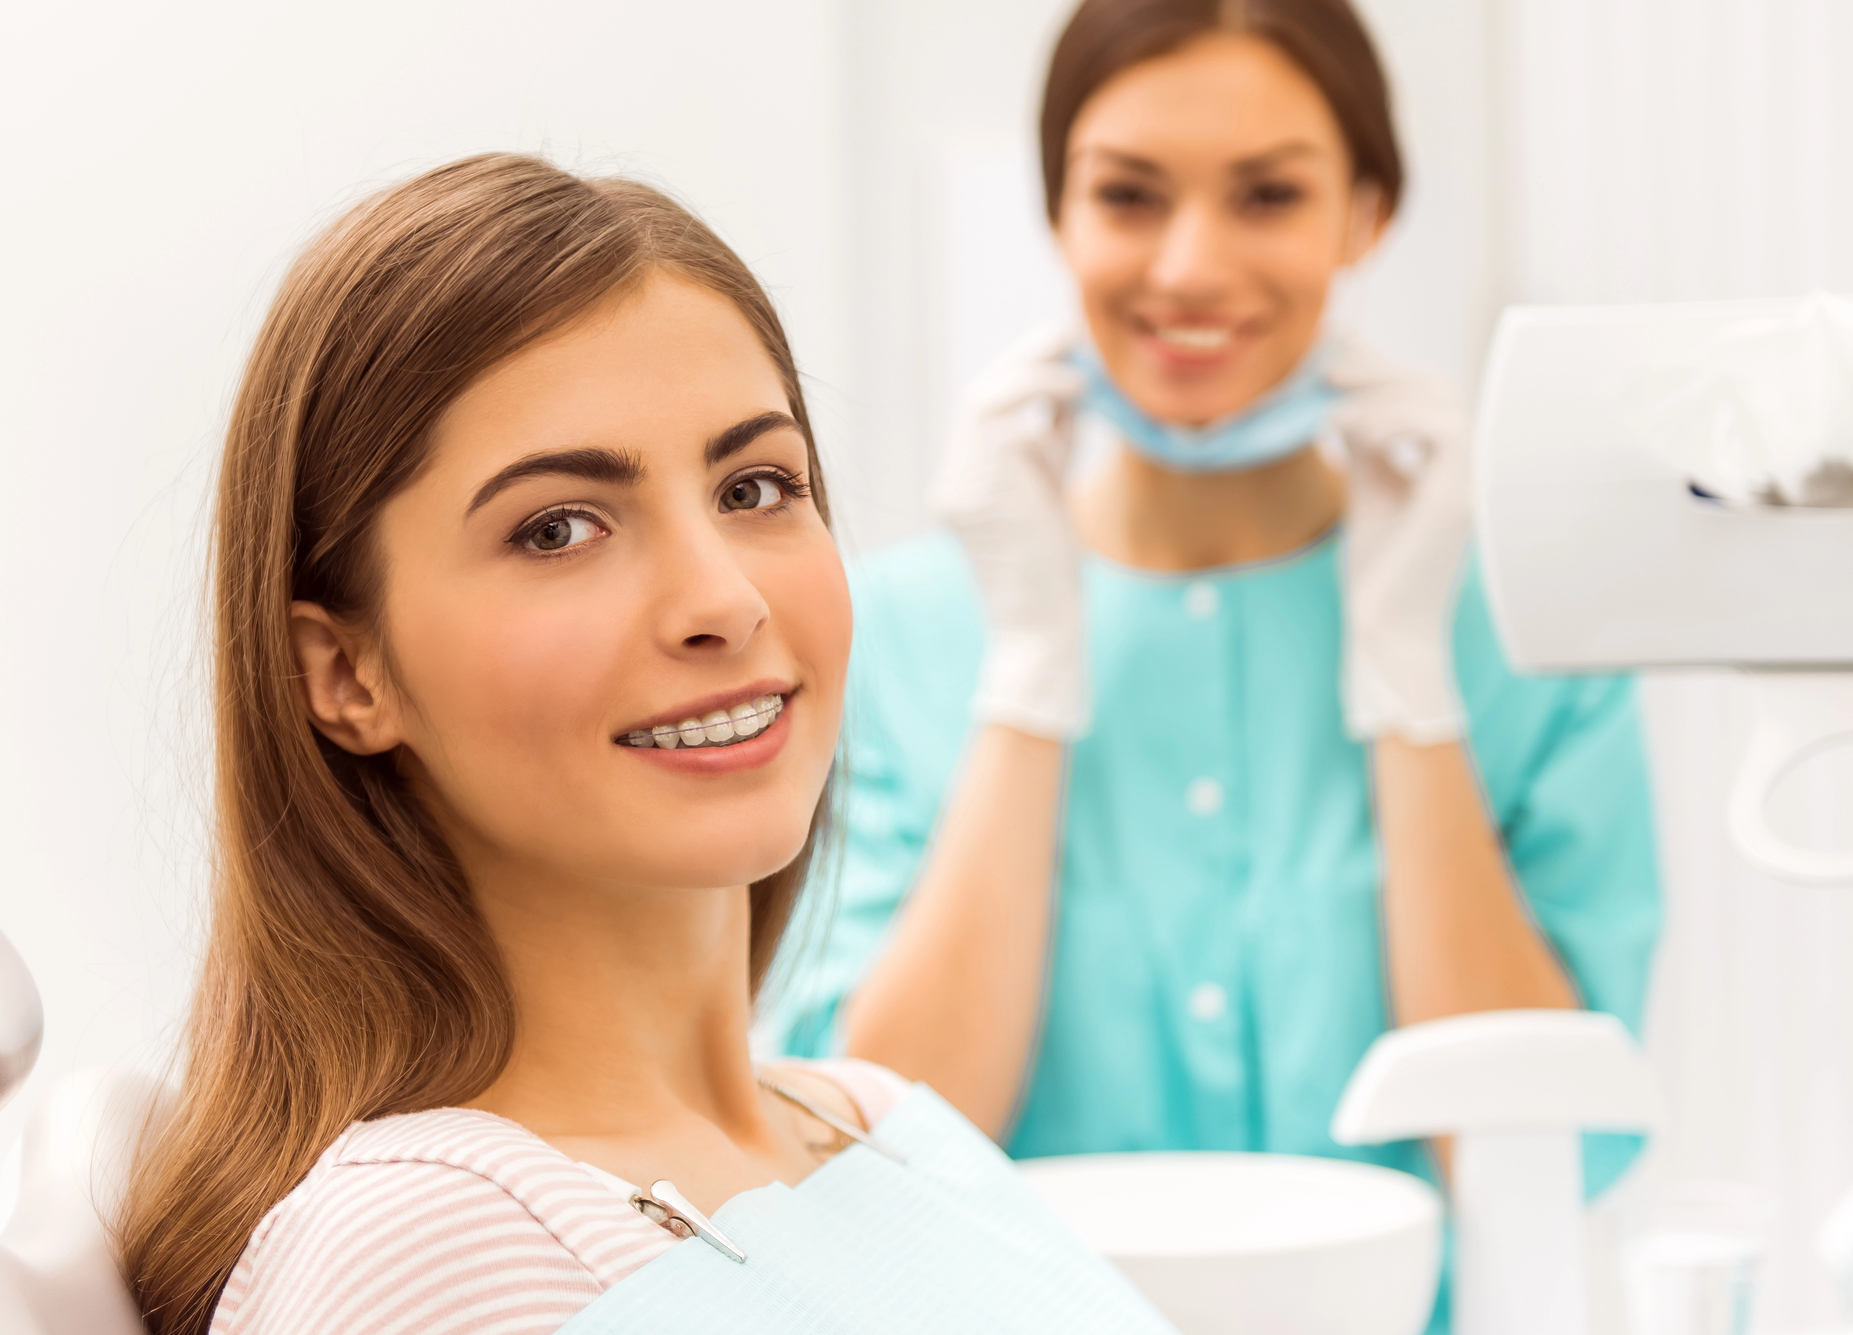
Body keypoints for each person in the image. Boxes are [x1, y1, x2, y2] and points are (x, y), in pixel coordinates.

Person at [117, 154, 1177, 1335]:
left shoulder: (880, 1126)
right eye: (558, 528)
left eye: (755, 487)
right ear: (347, 673)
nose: (720, 598)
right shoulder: (425, 1251)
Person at [769, 2, 1661, 1326]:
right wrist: (1025, 680)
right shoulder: (890, 638)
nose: (1190, 264)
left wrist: (1413, 685)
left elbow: (1546, 1148)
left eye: (1268, 195)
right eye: (1128, 195)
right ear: (1059, 215)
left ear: (1368, 213)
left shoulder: (1529, 640)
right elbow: (863, 1165)